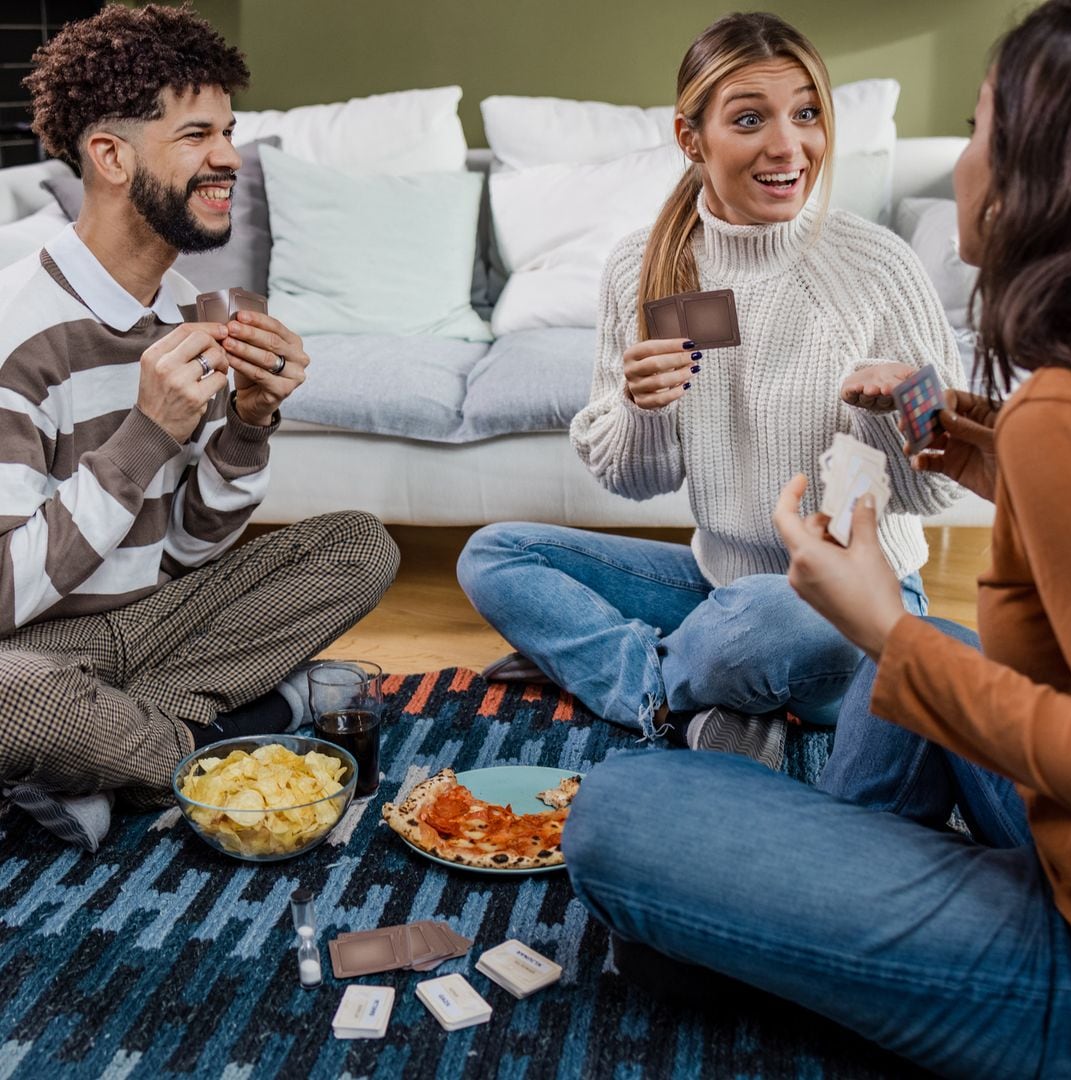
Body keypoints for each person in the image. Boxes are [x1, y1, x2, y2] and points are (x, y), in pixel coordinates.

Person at [563, 1, 1071, 1074]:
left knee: (616, 810)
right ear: (691, 135)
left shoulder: (1041, 406)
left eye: (978, 129)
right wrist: (965, 440)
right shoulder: (1049, 418)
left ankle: (797, 885)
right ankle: (819, 859)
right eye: (750, 117)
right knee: (927, 660)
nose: (960, 161)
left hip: (1061, 954)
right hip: (738, 593)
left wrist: (892, 633)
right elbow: (637, 466)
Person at [457, 11, 964, 757]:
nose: (788, 145)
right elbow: (639, 481)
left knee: (782, 616)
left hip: (855, 604)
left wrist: (903, 406)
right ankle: (698, 690)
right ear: (691, 139)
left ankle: (651, 686)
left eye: (806, 113)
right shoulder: (643, 268)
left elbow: (940, 492)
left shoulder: (877, 267)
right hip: (716, 583)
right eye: (751, 118)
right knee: (495, 557)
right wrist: (641, 407)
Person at [0, 3, 399, 850]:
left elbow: (187, 553)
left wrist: (249, 423)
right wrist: (145, 433)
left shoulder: (185, 313)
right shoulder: (16, 332)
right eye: (196, 136)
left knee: (362, 545)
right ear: (110, 156)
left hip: (160, 621)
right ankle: (214, 744)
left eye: (228, 130)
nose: (229, 158)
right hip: (37, 648)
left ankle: (107, 764)